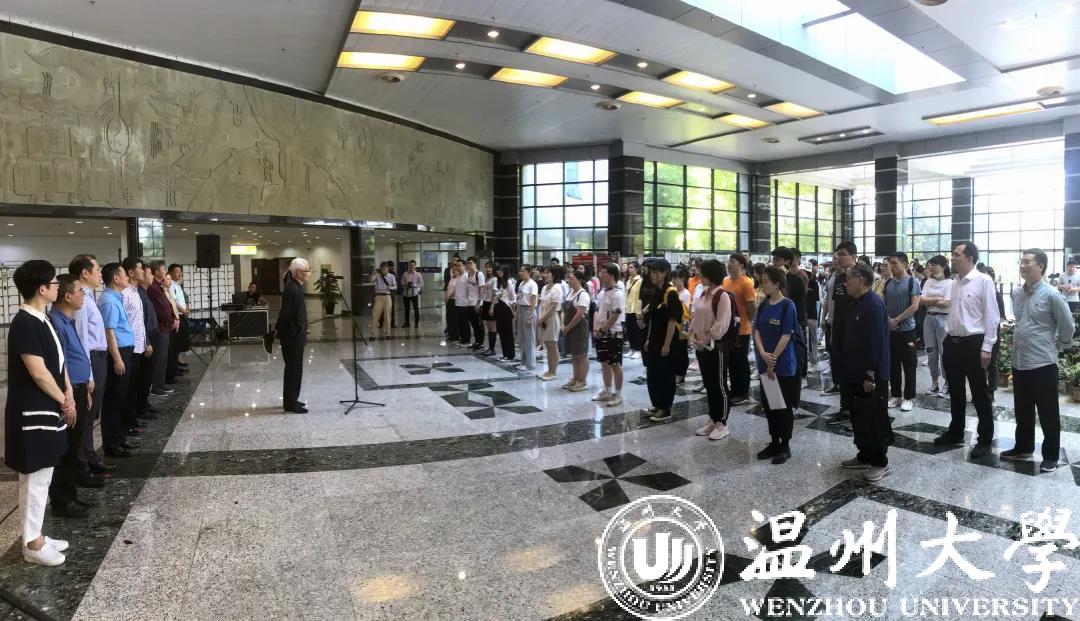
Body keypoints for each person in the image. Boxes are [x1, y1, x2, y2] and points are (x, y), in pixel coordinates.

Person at [5, 261, 72, 566]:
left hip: (49, 406)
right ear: (42, 288)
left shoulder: (43, 319)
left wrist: (67, 391)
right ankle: (32, 543)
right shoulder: (24, 323)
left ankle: (39, 534)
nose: (58, 287)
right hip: (33, 411)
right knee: (33, 479)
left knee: (44, 476)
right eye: (55, 283)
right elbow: (38, 372)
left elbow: (58, 363)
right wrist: (64, 400)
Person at [1005, 249, 1075, 472]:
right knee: (1022, 409)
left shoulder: (1052, 295)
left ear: (1041, 266)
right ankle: (1023, 446)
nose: (1022, 265)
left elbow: (1068, 326)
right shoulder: (1017, 293)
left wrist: (1059, 346)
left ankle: (1051, 455)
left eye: (1027, 262)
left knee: (1048, 412)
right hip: (1020, 361)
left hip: (1043, 362)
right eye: (1021, 262)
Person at [933, 241, 999, 457]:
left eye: (956, 254)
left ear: (969, 258)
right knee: (956, 391)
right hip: (952, 342)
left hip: (974, 343)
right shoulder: (955, 282)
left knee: (979, 393)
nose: (952, 257)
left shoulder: (983, 281)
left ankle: (985, 439)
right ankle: (956, 431)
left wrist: (987, 347)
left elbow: (992, 317)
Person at [838, 263, 894, 482]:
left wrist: (870, 374)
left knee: (873, 418)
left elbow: (876, 342)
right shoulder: (858, 303)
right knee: (859, 416)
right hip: (855, 371)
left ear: (860, 280)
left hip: (871, 375)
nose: (845, 283)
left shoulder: (873, 304)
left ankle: (880, 462)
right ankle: (864, 455)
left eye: (848, 280)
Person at [47, 274, 96, 518]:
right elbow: (60, 364)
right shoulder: (56, 323)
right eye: (80, 291)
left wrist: (84, 387)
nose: (83, 295)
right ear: (67, 296)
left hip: (77, 388)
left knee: (73, 446)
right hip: (69, 391)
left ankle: (70, 493)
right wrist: (68, 397)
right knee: (65, 448)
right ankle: (62, 500)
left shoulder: (67, 319)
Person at [68, 255, 112, 479]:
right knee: (87, 414)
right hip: (92, 359)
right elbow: (82, 339)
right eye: (97, 269)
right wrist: (90, 375)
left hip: (98, 357)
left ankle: (90, 456)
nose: (100, 273)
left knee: (92, 413)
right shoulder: (81, 300)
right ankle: (83, 463)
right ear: (85, 273)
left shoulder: (89, 296)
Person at [753, 266, 800, 464]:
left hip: (782, 364)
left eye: (765, 281)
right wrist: (763, 353)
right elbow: (756, 330)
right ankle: (774, 441)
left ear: (777, 283)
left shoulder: (787, 306)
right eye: (761, 281)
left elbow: (786, 335)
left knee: (782, 406)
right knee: (770, 405)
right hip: (766, 362)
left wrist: (772, 359)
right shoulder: (764, 304)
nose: (762, 284)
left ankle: (785, 445)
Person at [691, 259, 733, 441]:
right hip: (701, 346)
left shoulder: (722, 296)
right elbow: (697, 317)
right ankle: (713, 419)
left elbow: (721, 324)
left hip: (716, 347)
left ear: (712, 274)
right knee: (709, 384)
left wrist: (706, 339)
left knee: (719, 384)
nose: (700, 275)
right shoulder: (704, 293)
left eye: (704, 272)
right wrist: (694, 336)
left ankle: (722, 423)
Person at [98, 262, 135, 458]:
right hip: (118, 352)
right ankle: (111, 444)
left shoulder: (115, 297)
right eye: (124, 274)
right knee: (114, 399)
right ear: (116, 278)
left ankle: (119, 437)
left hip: (124, 350)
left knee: (121, 397)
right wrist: (117, 359)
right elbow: (109, 332)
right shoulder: (109, 301)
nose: (128, 277)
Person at [644, 260, 682, 422]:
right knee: (653, 373)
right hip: (654, 339)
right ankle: (657, 404)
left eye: (655, 272)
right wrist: (648, 339)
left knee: (665, 375)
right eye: (651, 272)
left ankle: (665, 408)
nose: (652, 275)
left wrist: (666, 344)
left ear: (664, 273)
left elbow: (672, 321)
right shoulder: (656, 291)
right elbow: (653, 318)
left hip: (667, 341)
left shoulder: (671, 293)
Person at [822, 242, 859, 411]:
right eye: (837, 255)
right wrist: (832, 332)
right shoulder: (838, 277)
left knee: (854, 371)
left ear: (853, 256)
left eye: (843, 254)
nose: (839, 258)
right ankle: (844, 408)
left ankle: (855, 410)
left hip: (854, 332)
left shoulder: (861, 276)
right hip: (838, 330)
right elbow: (835, 306)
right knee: (841, 370)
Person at [884, 252, 922, 412]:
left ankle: (909, 397)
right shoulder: (888, 283)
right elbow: (884, 304)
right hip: (891, 330)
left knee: (909, 364)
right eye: (890, 263)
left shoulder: (913, 282)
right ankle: (895, 395)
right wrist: (888, 320)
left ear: (905, 264)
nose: (891, 266)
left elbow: (914, 306)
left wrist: (897, 320)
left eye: (895, 263)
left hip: (907, 331)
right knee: (893, 364)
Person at [120, 258, 152, 440]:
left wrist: (146, 342)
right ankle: (127, 423)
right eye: (140, 268)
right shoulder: (124, 294)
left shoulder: (135, 292)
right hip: (129, 348)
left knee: (134, 387)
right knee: (128, 390)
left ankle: (132, 420)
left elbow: (140, 322)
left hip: (139, 346)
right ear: (131, 273)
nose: (143, 271)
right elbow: (122, 324)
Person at [277, 258, 311, 413]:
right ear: (298, 273)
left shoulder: (296, 287)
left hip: (295, 335)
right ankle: (290, 404)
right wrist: (294, 332)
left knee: (295, 370)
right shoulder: (293, 289)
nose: (309, 273)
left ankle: (292, 399)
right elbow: (286, 315)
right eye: (306, 271)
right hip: (293, 338)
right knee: (293, 370)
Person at [724, 254, 756, 405]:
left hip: (742, 329)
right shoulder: (725, 281)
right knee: (731, 361)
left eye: (732, 262)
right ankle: (735, 390)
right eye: (729, 262)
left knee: (740, 362)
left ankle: (743, 393)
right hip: (728, 329)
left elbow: (751, 307)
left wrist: (751, 324)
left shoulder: (747, 283)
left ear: (741, 265)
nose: (729, 264)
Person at [592, 264, 625, 407]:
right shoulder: (602, 292)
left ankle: (617, 394)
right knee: (604, 363)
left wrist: (602, 329)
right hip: (601, 332)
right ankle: (607, 390)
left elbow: (615, 315)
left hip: (613, 334)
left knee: (615, 364)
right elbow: (597, 310)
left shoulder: (617, 294)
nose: (600, 275)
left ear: (611, 275)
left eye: (603, 273)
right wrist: (595, 327)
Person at [919, 255, 952, 398]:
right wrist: (937, 299)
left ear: (943, 266)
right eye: (930, 265)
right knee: (931, 352)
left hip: (944, 319)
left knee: (944, 353)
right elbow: (921, 300)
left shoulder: (950, 283)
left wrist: (930, 300)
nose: (932, 267)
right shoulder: (928, 281)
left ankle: (947, 383)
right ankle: (934, 382)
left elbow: (947, 303)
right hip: (929, 319)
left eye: (935, 265)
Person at [146, 262, 178, 398]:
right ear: (157, 272)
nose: (165, 271)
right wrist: (170, 320)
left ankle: (161, 384)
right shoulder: (153, 288)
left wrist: (173, 318)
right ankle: (156, 386)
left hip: (166, 326)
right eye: (163, 269)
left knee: (164, 358)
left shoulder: (158, 286)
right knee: (160, 358)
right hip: (161, 326)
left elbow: (167, 305)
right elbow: (160, 309)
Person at [561, 270, 591, 391]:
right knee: (574, 354)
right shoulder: (570, 293)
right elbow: (563, 310)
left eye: (572, 278)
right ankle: (575, 378)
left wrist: (568, 327)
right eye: (568, 278)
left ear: (579, 280)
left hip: (579, 328)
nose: (569, 280)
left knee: (581, 354)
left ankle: (582, 381)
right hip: (569, 328)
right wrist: (563, 324)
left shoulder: (583, 294)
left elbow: (579, 315)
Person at [537, 266, 564, 381]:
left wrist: (542, 318)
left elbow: (553, 307)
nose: (545, 275)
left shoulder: (557, 288)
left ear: (554, 275)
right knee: (547, 346)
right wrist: (540, 317)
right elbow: (542, 304)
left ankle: (553, 371)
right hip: (543, 317)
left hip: (551, 318)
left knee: (552, 345)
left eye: (548, 273)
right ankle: (549, 370)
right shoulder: (545, 287)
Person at [167, 264, 190, 375]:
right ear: (170, 273)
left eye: (180, 271)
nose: (180, 273)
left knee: (181, 341)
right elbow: (173, 302)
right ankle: (175, 366)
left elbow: (182, 300)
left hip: (182, 314)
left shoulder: (178, 285)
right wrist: (184, 311)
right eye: (177, 271)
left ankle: (177, 364)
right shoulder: (171, 285)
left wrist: (186, 309)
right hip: (177, 316)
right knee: (176, 342)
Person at [672, 265, 692, 384]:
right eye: (673, 278)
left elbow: (685, 312)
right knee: (675, 349)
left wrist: (685, 331)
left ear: (682, 279)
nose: (673, 281)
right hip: (674, 324)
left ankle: (681, 373)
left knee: (682, 349)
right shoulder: (673, 291)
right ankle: (675, 371)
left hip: (683, 323)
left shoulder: (686, 294)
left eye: (676, 278)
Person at [515, 265, 538, 370]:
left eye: (523, 271)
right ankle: (523, 362)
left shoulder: (532, 284)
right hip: (521, 310)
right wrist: (517, 311)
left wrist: (531, 316)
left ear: (528, 272)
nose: (520, 273)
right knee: (522, 338)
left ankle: (530, 364)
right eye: (520, 271)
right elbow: (519, 298)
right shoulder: (521, 283)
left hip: (529, 310)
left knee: (529, 338)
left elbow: (533, 300)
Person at [492, 265, 516, 361]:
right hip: (499, 306)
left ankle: (510, 354)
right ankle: (505, 353)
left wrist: (512, 309)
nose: (499, 272)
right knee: (501, 332)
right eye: (498, 270)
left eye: (501, 271)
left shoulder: (509, 282)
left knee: (507, 332)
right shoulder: (500, 282)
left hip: (506, 307)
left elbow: (513, 296)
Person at [463, 258, 486, 350]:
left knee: (479, 324)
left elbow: (482, 289)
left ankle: (481, 343)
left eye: (471, 263)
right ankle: (476, 341)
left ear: (475, 264)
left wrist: (479, 303)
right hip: (470, 303)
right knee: (473, 324)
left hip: (477, 303)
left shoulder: (479, 274)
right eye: (468, 263)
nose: (469, 265)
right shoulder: (469, 274)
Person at [624, 262, 644, 359]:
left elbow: (640, 297)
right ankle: (632, 348)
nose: (629, 269)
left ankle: (638, 350)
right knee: (630, 330)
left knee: (637, 331)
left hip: (636, 309)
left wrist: (639, 310)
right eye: (629, 268)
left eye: (632, 267)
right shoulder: (628, 280)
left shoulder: (640, 281)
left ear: (637, 269)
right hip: (628, 309)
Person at [371, 262, 396, 337]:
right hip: (378, 297)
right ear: (380, 269)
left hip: (387, 296)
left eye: (385, 268)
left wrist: (391, 287)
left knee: (387, 316)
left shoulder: (391, 276)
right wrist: (373, 274)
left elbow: (395, 286)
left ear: (387, 268)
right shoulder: (377, 275)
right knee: (375, 315)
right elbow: (371, 280)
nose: (383, 270)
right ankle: (373, 334)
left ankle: (388, 333)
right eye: (382, 268)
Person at [481, 262, 499, 356]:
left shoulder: (495, 279)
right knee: (489, 327)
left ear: (494, 268)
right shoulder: (487, 278)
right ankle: (490, 348)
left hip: (491, 304)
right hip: (485, 302)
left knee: (492, 328)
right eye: (486, 267)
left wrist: (492, 307)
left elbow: (495, 294)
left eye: (490, 267)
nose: (488, 269)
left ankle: (492, 349)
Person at [401, 260, 423, 328]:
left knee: (416, 309)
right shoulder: (405, 274)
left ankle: (416, 324)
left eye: (413, 265)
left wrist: (414, 285)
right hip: (406, 294)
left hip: (414, 294)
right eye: (410, 265)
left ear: (415, 266)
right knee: (406, 309)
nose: (411, 267)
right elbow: (401, 283)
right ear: (408, 266)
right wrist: (405, 283)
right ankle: (407, 323)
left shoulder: (418, 274)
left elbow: (421, 284)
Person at [445, 263, 463, 344]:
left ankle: (456, 336)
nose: (453, 272)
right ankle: (451, 335)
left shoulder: (458, 279)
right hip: (449, 300)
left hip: (454, 300)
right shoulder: (452, 278)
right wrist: (446, 297)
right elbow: (448, 288)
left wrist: (448, 297)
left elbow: (455, 290)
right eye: (452, 270)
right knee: (449, 318)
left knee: (454, 319)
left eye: (455, 270)